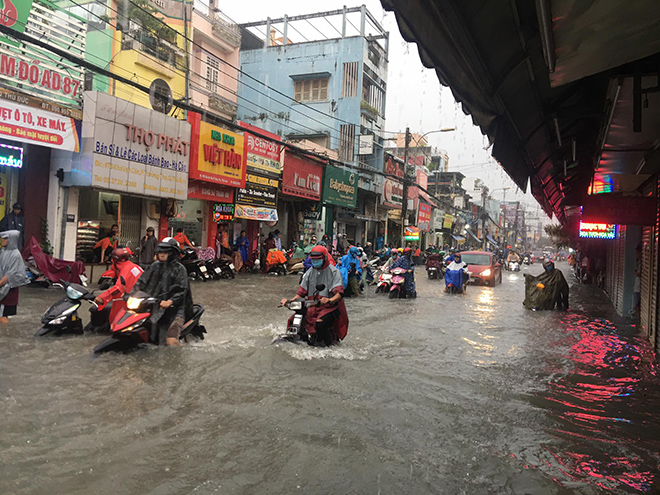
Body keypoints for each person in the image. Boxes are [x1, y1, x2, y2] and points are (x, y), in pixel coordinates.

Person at [280, 245, 349, 346]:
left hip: (328, 307)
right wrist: (289, 301)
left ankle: (324, 345)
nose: (315, 262)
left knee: (320, 323)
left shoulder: (334, 272)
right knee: (293, 319)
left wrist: (329, 300)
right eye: (313, 260)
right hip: (310, 305)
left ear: (324, 258)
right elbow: (300, 293)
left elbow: (338, 294)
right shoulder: (309, 273)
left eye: (318, 260)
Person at [136, 238, 192, 346]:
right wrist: (132, 293)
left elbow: (182, 290)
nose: (162, 254)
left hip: (175, 310)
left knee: (170, 341)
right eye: (160, 252)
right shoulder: (154, 266)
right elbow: (141, 281)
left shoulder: (180, 269)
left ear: (173, 253)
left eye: (165, 252)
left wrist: (170, 301)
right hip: (154, 305)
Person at [94, 247, 144, 323]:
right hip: (140, 297)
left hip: (130, 299)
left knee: (116, 319)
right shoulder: (133, 266)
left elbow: (118, 288)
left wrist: (102, 297)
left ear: (115, 260)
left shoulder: (125, 270)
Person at [0, 230, 30, 322]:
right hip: (3, 287)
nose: (3, 240)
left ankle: (6, 334)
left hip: (8, 289)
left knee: (3, 315)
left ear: (11, 240)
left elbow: (10, 275)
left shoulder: (15, 255)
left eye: (5, 239)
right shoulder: (3, 252)